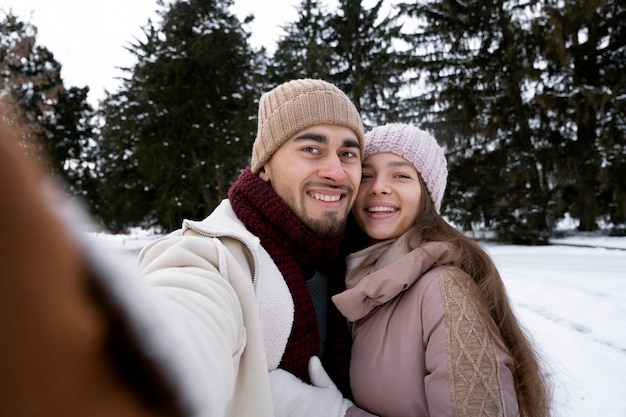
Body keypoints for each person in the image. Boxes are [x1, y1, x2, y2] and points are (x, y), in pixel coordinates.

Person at [0, 80, 376, 417]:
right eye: (311, 148)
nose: (336, 172)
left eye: (348, 154)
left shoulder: (362, 260)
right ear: (264, 166)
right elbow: (183, 332)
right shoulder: (213, 255)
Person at [329, 124, 552, 417]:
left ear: (427, 197)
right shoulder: (355, 281)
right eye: (367, 175)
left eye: (401, 175)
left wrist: (332, 412)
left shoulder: (445, 289)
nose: (378, 186)